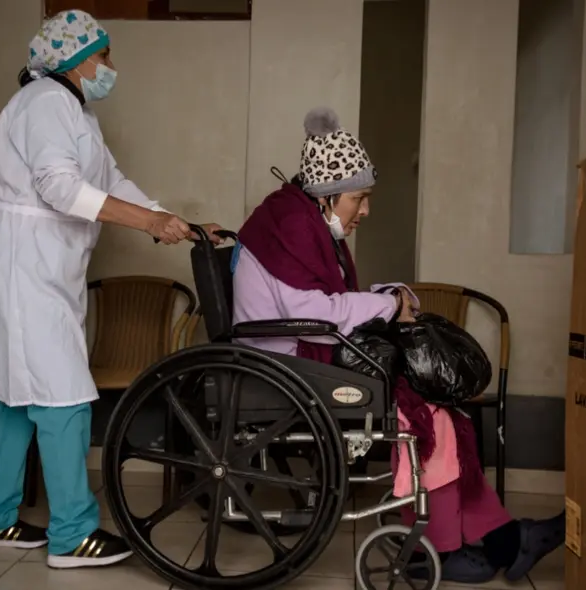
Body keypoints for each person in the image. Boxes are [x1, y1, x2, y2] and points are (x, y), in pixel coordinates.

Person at [232, 107, 564, 584]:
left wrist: (388, 296)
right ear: (328, 197)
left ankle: (502, 539)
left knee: (443, 408)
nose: (365, 210)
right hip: (287, 367)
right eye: (359, 198)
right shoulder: (290, 223)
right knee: (430, 414)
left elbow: (327, 302)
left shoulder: (301, 219)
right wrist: (384, 306)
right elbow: (308, 316)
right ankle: (444, 550)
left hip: (299, 357)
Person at [0, 9, 221, 570]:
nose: (110, 66)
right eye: (104, 55)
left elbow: (109, 182)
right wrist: (147, 223)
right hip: (19, 261)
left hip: (28, 260)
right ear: (78, 59)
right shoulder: (47, 103)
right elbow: (59, 187)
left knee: (15, 394)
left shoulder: (71, 111)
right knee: (63, 394)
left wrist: (171, 219)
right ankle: (73, 534)